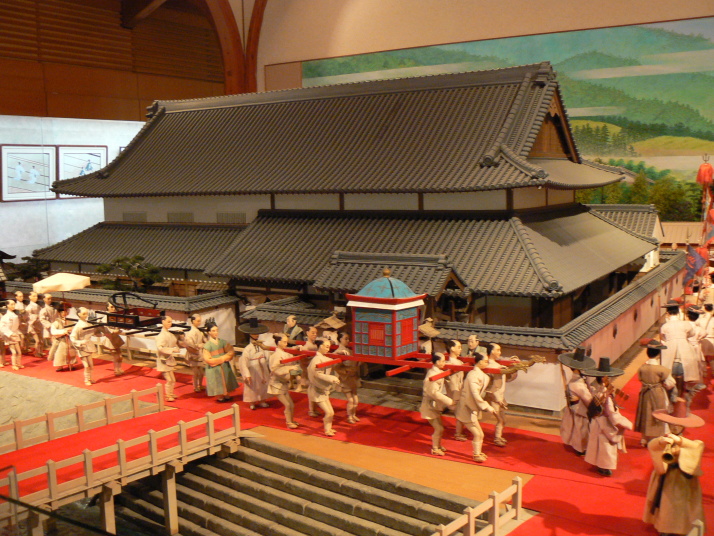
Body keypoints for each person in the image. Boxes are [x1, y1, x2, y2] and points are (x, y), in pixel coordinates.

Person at [643, 398, 705, 536]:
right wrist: (660, 442)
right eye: (672, 425)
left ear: (684, 426)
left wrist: (680, 441)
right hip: (666, 477)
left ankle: (678, 527)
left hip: (682, 478)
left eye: (678, 425)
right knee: (665, 503)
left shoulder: (689, 442)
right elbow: (652, 445)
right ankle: (663, 526)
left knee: (679, 505)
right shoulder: (665, 439)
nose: (675, 428)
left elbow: (697, 446)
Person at [582, 358, 633, 476]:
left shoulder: (598, 390)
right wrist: (623, 422)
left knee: (598, 444)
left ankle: (599, 464)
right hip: (604, 422)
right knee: (606, 446)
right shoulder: (606, 395)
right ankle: (604, 466)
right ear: (605, 378)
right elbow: (611, 412)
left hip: (597, 420)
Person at [454, 352, 494, 462]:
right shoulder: (473, 375)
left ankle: (478, 452)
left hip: (471, 407)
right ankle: (476, 454)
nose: (487, 363)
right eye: (485, 361)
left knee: (480, 434)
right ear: (479, 362)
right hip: (466, 407)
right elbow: (474, 393)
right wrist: (486, 406)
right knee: (477, 434)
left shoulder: (479, 374)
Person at [635, 339, 675, 446]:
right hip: (657, 393)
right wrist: (663, 385)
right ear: (658, 354)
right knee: (659, 413)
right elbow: (671, 383)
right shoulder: (661, 369)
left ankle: (644, 438)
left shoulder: (642, 368)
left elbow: (640, 379)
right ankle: (659, 435)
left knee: (645, 413)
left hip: (645, 393)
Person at [558, 346, 596, 456]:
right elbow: (588, 399)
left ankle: (580, 446)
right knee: (581, 428)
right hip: (579, 408)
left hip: (577, 405)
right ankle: (580, 448)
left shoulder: (578, 380)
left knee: (579, 428)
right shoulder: (577, 384)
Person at [484, 343, 519, 447]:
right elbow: (493, 386)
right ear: (492, 351)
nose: (499, 352)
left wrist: (513, 366)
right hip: (493, 396)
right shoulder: (490, 366)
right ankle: (497, 438)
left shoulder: (497, 365)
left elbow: (508, 378)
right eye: (498, 350)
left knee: (503, 419)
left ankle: (498, 436)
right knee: (500, 419)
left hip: (499, 395)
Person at [420, 353, 454, 456]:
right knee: (439, 428)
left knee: (441, 427)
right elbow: (434, 393)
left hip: (434, 405)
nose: (444, 363)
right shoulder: (432, 374)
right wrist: (449, 401)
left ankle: (438, 445)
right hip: (429, 405)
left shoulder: (437, 371)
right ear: (438, 362)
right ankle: (435, 448)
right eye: (443, 361)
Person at [307, 338, 341, 436]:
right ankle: (327, 430)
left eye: (329, 347)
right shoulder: (316, 359)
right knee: (329, 412)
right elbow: (317, 374)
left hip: (323, 390)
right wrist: (331, 378)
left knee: (331, 412)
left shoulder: (322, 358)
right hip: (316, 390)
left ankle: (329, 428)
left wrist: (339, 353)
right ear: (321, 346)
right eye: (326, 347)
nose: (328, 349)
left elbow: (331, 360)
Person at [238, 318, 271, 410]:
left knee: (263, 384)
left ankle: (262, 400)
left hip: (262, 367)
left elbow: (267, 356)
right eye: (254, 333)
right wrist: (247, 374)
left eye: (257, 333)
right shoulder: (248, 348)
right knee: (252, 385)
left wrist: (268, 365)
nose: (256, 335)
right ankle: (252, 402)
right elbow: (243, 362)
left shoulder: (262, 346)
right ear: (250, 334)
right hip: (252, 368)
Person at [268, 333, 300, 428]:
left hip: (284, 383)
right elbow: (275, 369)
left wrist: (296, 349)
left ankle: (291, 420)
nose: (286, 344)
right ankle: (289, 422)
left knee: (291, 404)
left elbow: (290, 358)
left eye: (286, 342)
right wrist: (289, 369)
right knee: (287, 404)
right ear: (279, 342)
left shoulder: (285, 353)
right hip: (276, 383)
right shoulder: (275, 355)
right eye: (284, 342)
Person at [202, 321, 238, 402]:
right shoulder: (207, 345)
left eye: (217, 330)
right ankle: (219, 396)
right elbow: (207, 359)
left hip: (224, 364)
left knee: (226, 378)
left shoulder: (222, 342)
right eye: (213, 331)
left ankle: (226, 394)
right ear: (209, 332)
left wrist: (224, 358)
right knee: (217, 380)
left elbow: (231, 351)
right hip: (215, 367)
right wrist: (220, 359)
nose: (216, 332)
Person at [333, 332, 361, 423]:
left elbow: (356, 362)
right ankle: (350, 417)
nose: (348, 340)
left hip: (353, 377)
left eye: (348, 338)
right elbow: (335, 366)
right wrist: (345, 371)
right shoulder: (339, 351)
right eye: (346, 338)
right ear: (340, 339)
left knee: (355, 399)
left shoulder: (350, 350)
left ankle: (353, 414)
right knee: (351, 400)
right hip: (345, 378)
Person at [155, 315, 182, 402]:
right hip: (163, 359)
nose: (170, 323)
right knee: (169, 380)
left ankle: (170, 393)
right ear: (163, 322)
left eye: (171, 322)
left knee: (173, 379)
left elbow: (174, 344)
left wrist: (176, 348)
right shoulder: (161, 335)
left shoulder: (170, 334)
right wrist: (172, 350)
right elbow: (160, 348)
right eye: (168, 322)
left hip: (169, 359)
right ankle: (168, 395)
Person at [443, 340, 465, 440]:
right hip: (454, 390)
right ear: (452, 348)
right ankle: (458, 433)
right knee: (460, 412)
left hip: (460, 389)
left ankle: (459, 432)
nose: (460, 349)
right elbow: (450, 381)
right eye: (458, 347)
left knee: (461, 412)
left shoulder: (459, 362)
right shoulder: (449, 363)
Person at [70, 307, 97, 386]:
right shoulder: (78, 326)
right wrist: (80, 342)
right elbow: (72, 337)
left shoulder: (88, 323)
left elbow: (93, 331)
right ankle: (86, 379)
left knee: (91, 365)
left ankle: (90, 378)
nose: (86, 315)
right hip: (81, 347)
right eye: (84, 314)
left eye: (86, 314)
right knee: (86, 366)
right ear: (79, 314)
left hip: (88, 344)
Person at [181, 313, 206, 392]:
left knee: (201, 372)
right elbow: (190, 344)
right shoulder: (191, 333)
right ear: (193, 321)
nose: (199, 322)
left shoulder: (199, 332)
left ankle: (200, 385)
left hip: (199, 353)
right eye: (198, 321)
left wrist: (203, 345)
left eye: (200, 321)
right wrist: (199, 345)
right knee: (196, 373)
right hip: (193, 353)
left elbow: (204, 341)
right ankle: (195, 386)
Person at [50, 304, 74, 372]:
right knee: (60, 354)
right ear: (59, 313)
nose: (65, 313)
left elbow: (74, 329)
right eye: (63, 312)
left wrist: (71, 330)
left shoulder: (70, 321)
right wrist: (64, 331)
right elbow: (53, 331)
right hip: (61, 340)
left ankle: (71, 364)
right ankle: (60, 366)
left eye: (66, 311)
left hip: (69, 340)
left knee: (71, 353)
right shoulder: (56, 322)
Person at [0, 300, 23, 370]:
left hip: (15, 334)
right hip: (9, 336)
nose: (13, 306)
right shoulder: (5, 317)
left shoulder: (14, 315)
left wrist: (19, 333)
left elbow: (16, 327)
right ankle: (14, 365)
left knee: (19, 352)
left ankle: (18, 364)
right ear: (8, 305)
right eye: (11, 304)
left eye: (14, 304)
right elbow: (2, 327)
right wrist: (10, 334)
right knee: (14, 352)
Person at [39, 294, 59, 362]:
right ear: (44, 299)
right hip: (50, 327)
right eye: (48, 299)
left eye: (51, 298)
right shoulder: (43, 310)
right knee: (54, 342)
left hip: (55, 326)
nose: (50, 300)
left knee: (55, 342)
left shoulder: (54, 307)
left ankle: (53, 355)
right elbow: (42, 319)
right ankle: (52, 356)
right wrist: (50, 325)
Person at [25, 292, 44, 357]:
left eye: (36, 296)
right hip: (32, 325)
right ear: (30, 297)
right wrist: (36, 316)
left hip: (38, 324)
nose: (35, 297)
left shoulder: (37, 306)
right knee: (37, 341)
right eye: (34, 296)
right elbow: (28, 317)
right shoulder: (28, 307)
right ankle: (36, 352)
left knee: (41, 340)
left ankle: (40, 351)